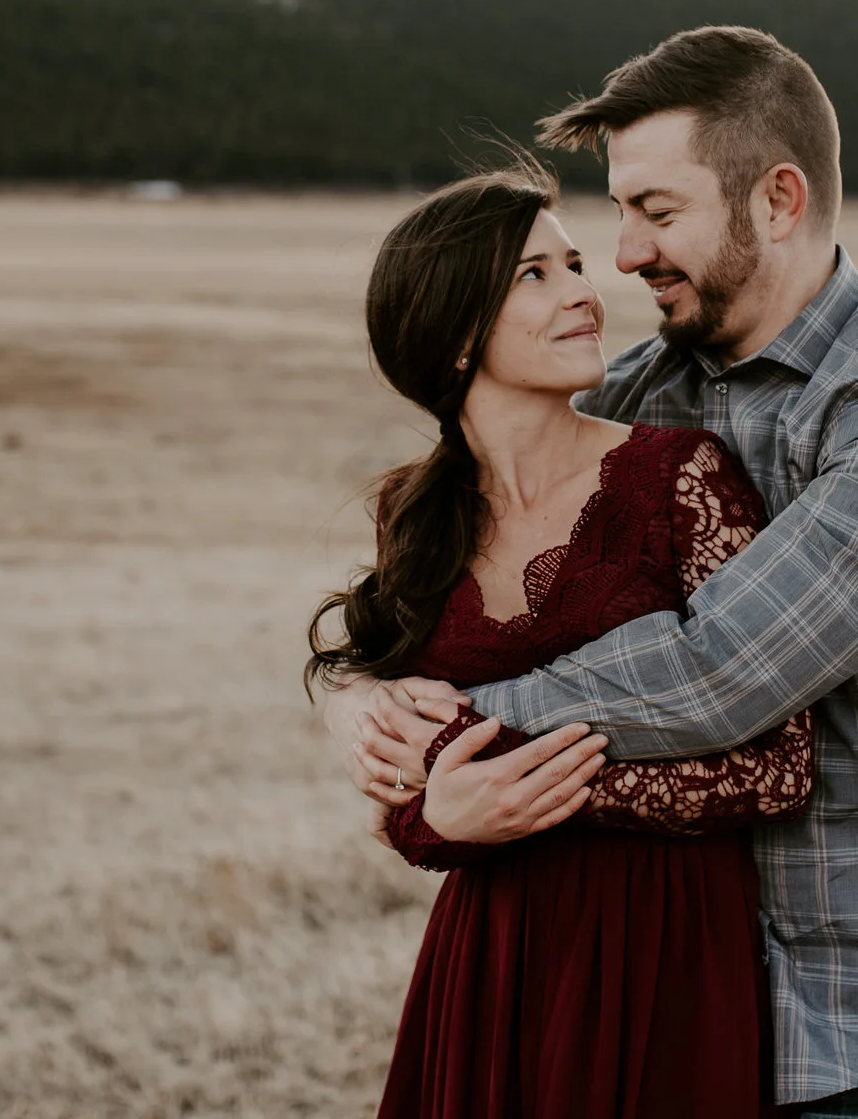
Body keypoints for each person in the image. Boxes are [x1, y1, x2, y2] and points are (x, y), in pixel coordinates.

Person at [327, 26, 858, 1118]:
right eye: (617, 213)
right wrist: (360, 698)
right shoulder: (645, 392)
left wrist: (447, 733)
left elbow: (714, 670)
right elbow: (469, 547)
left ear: (776, 200)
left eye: (656, 212)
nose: (622, 255)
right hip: (694, 999)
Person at [306, 157, 817, 1119]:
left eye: (576, 263)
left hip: (666, 947)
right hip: (492, 952)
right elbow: (407, 779)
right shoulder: (410, 516)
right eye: (535, 274)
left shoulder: (679, 477)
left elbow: (780, 766)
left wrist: (531, 790)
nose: (586, 292)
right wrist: (435, 818)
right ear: (456, 333)